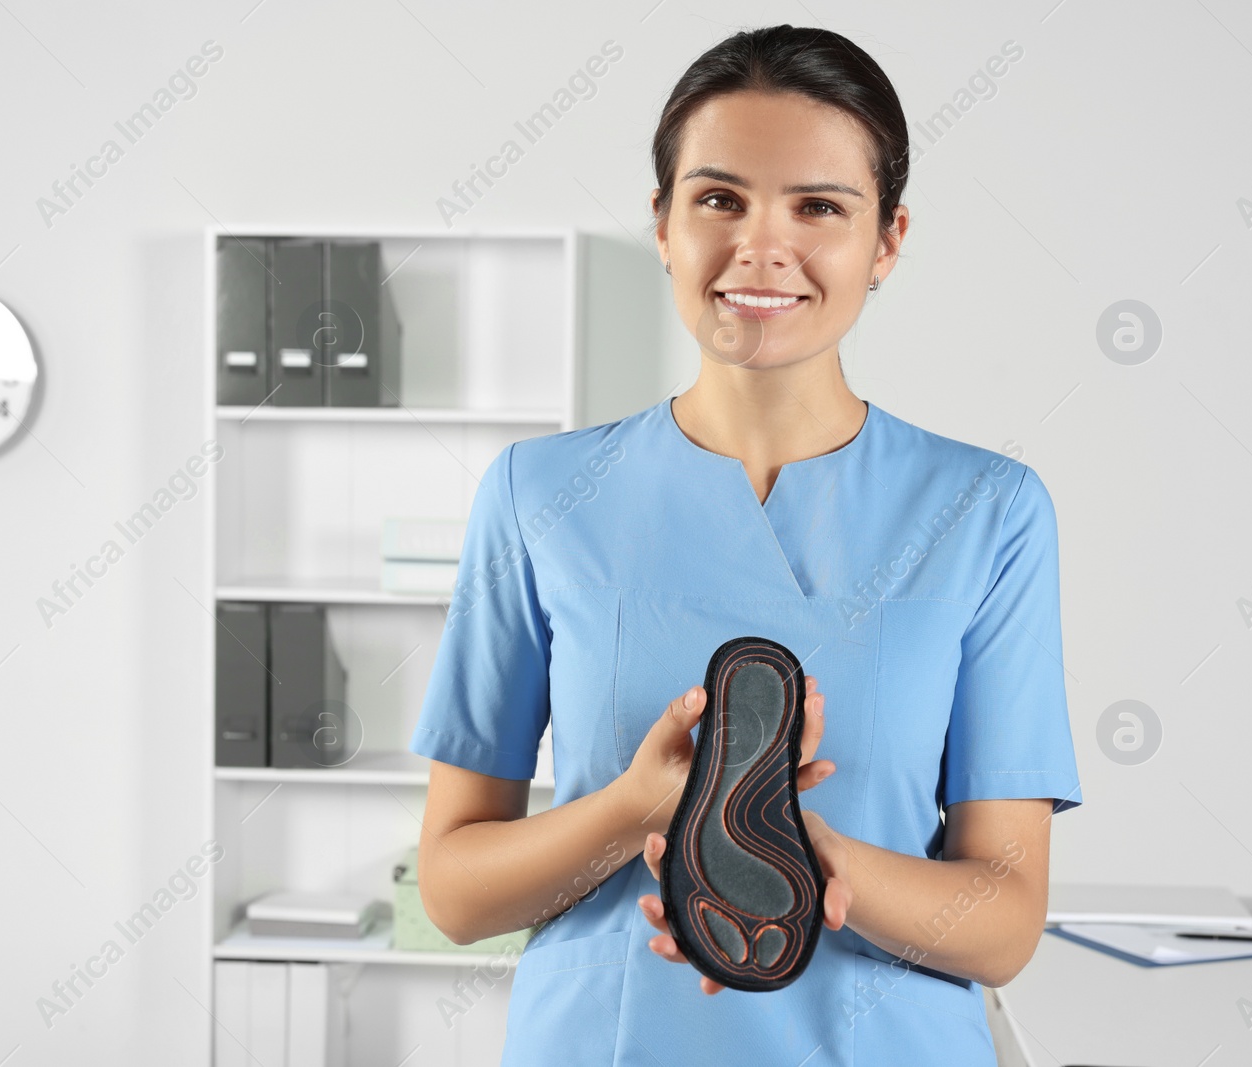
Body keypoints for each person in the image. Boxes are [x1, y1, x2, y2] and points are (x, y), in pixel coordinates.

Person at [408, 24, 1082, 1066]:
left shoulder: (988, 511)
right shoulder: (537, 495)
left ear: (887, 240)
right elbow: (452, 892)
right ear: (664, 226)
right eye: (719, 200)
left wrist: (793, 851)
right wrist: (636, 806)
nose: (761, 247)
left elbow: (1002, 920)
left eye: (818, 207)